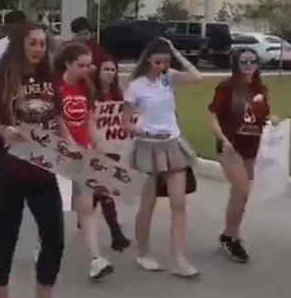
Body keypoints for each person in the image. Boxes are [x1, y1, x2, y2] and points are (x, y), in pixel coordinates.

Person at [0, 23, 69, 298]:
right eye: (33, 43)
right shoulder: (1, 80)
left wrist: (71, 148)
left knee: (54, 238)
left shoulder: (49, 80)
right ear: (21, 45)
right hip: (6, 169)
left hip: (42, 169)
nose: (38, 49)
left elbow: (57, 119)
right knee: (7, 236)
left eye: (43, 44)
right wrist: (5, 131)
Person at [124, 38, 203, 277]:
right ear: (148, 59)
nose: (162, 66)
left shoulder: (168, 78)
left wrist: (175, 52)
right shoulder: (136, 86)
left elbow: (196, 77)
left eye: (166, 62)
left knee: (179, 204)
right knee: (147, 205)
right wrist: (147, 132)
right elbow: (126, 123)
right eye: (158, 61)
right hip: (148, 146)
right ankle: (143, 253)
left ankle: (179, 259)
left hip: (172, 144)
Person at [56, 42, 114, 280]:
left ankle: (95, 259)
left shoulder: (86, 88)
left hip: (83, 154)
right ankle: (43, 247)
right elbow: (57, 121)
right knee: (55, 208)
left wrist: (98, 147)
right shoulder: (55, 88)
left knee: (86, 208)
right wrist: (70, 145)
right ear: (68, 64)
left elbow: (89, 122)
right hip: (58, 155)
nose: (87, 69)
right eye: (81, 65)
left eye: (89, 65)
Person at [207, 47, 271, 264]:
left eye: (253, 61)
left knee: (241, 194)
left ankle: (230, 232)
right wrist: (223, 139)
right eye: (244, 61)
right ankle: (230, 237)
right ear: (236, 63)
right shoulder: (227, 87)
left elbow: (261, 117)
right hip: (231, 146)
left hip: (251, 145)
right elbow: (212, 115)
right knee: (241, 189)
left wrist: (272, 122)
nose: (249, 65)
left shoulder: (260, 89)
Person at [89, 58, 131, 251]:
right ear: (98, 71)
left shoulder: (118, 94)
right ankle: (116, 234)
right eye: (106, 69)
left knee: (101, 187)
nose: (110, 73)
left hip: (112, 146)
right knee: (104, 187)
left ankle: (85, 215)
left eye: (113, 69)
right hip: (94, 146)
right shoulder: (90, 93)